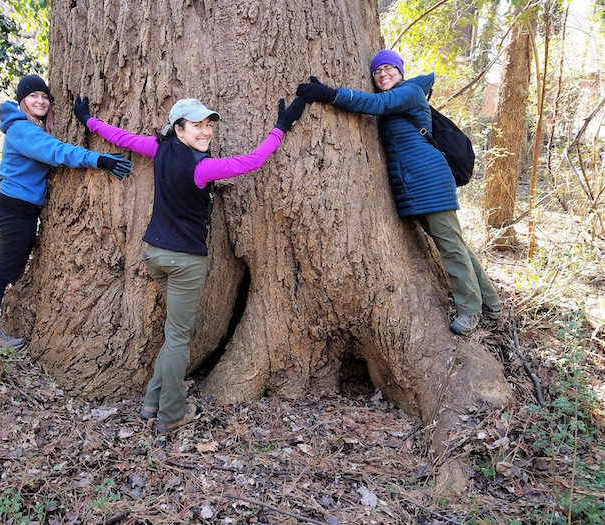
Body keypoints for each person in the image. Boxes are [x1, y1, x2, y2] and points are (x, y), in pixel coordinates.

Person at [73, 94, 305, 432]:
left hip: (155, 255)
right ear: (178, 129)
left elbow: (121, 137)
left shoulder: (158, 148)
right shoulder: (202, 168)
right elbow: (253, 161)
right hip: (184, 262)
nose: (206, 131)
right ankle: (170, 415)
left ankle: (153, 400)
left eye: (208, 124)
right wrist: (282, 126)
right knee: (180, 337)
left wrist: (88, 121)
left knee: (180, 332)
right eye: (197, 125)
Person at [296, 49, 501, 335]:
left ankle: (470, 311)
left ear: (400, 71)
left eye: (388, 68)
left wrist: (328, 93)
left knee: (451, 248)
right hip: (415, 186)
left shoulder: (410, 92)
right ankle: (491, 301)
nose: (382, 75)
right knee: (455, 243)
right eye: (377, 72)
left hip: (430, 181)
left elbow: (375, 104)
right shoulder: (399, 96)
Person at [0, 74, 132, 350]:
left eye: (44, 97)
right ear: (22, 101)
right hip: (14, 210)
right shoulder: (20, 129)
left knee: (13, 269)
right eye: (33, 96)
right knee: (3, 271)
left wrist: (84, 119)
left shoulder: (35, 127)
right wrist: (98, 159)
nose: (40, 101)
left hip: (23, 210)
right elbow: (55, 152)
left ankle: (1, 322)